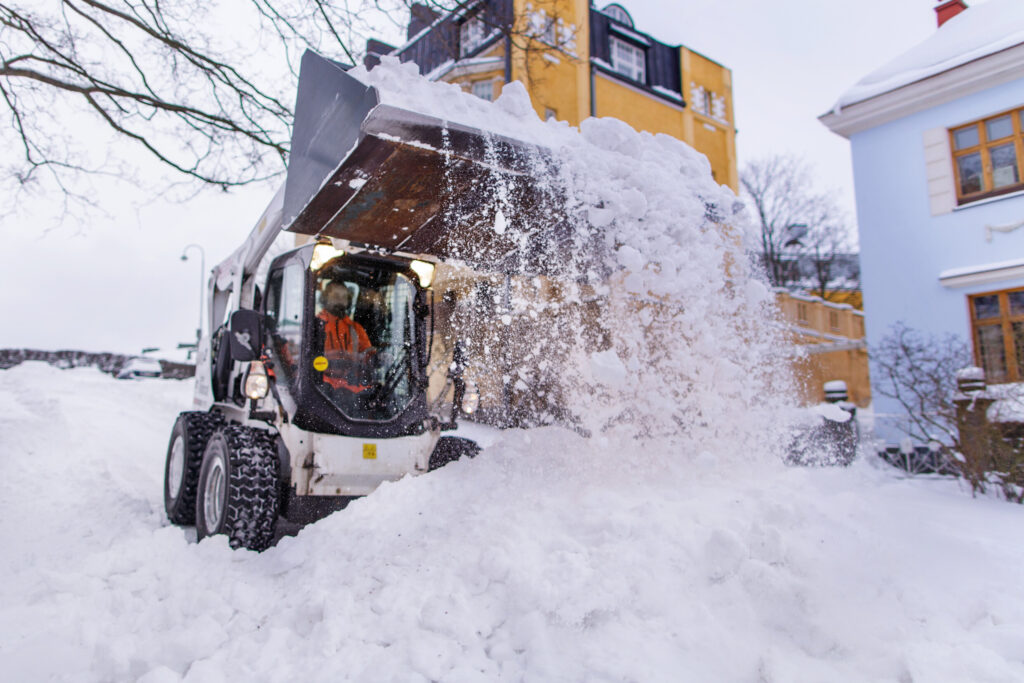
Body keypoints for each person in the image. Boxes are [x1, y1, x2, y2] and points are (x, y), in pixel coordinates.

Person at [317, 281, 373, 392]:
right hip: (323, 388)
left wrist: (377, 358)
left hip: (352, 388)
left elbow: (368, 354)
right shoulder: (317, 325)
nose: (340, 301)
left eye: (344, 297)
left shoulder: (355, 329)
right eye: (336, 296)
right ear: (325, 298)